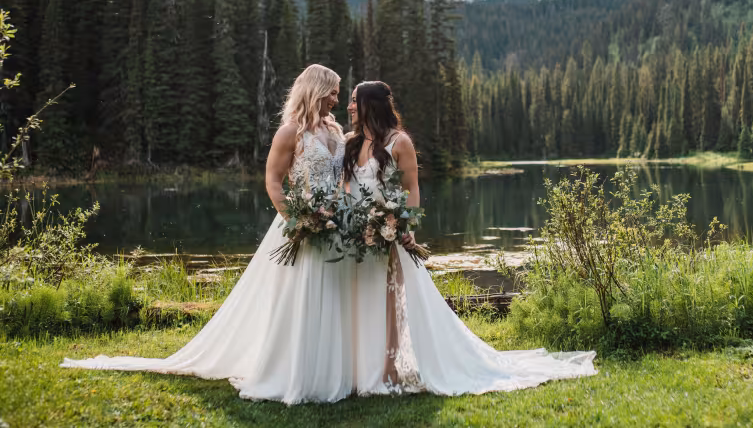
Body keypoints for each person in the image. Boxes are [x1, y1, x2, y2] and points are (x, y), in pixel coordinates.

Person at [62, 65, 354, 405]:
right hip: (299, 226)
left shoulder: (335, 131)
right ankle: (294, 370)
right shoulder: (290, 132)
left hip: (334, 225)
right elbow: (273, 182)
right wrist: (297, 220)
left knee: (332, 295)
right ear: (315, 90)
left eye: (338, 92)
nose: (336, 98)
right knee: (299, 296)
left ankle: (332, 370)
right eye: (332, 91)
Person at [343, 81, 597, 396]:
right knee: (362, 300)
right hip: (358, 237)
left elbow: (412, 190)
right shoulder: (350, 143)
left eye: (355, 101)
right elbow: (347, 189)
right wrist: (350, 221)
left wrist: (404, 228)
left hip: (389, 236)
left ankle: (390, 369)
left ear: (371, 105)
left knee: (393, 302)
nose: (350, 107)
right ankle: (359, 369)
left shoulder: (399, 142)